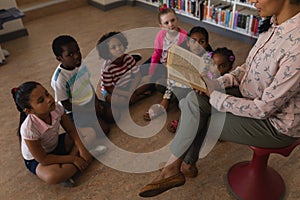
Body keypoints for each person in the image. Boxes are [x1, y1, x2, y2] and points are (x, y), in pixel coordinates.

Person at [139, 0, 300, 197]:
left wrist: (215, 96)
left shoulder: (297, 44)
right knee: (193, 100)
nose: (252, 1)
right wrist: (216, 84)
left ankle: (177, 167)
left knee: (203, 118)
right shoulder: (273, 24)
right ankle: (177, 168)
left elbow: (264, 108)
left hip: (275, 124)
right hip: (250, 95)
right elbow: (246, 69)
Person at [11, 81, 101, 187]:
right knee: (53, 176)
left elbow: (71, 130)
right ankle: (82, 158)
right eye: (41, 100)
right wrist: (74, 158)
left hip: (55, 144)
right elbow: (43, 159)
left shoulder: (56, 108)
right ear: (30, 111)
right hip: (39, 159)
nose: (49, 99)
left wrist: (81, 148)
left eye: (47, 94)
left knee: (89, 132)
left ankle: (72, 166)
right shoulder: (29, 129)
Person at [143, 26, 213, 121]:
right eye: (193, 41)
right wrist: (166, 98)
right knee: (160, 84)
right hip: (178, 84)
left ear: (207, 44)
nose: (197, 45)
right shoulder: (182, 54)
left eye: (202, 42)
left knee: (186, 100)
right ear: (188, 42)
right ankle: (168, 100)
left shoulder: (208, 58)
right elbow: (171, 76)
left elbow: (210, 79)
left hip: (195, 90)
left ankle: (183, 118)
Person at [51, 35, 112, 135]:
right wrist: (88, 111)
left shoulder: (81, 63)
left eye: (77, 51)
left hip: (89, 102)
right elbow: (66, 105)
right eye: (70, 54)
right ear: (59, 58)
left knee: (115, 115)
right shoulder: (60, 79)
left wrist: (96, 102)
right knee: (104, 129)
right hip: (76, 111)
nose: (76, 56)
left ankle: (95, 117)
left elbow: (88, 84)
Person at [167, 47, 235, 133]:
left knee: (199, 113)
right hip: (199, 103)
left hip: (213, 107)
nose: (216, 69)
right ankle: (186, 121)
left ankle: (186, 124)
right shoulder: (208, 74)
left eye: (222, 66)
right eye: (213, 64)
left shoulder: (227, 80)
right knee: (183, 103)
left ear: (230, 67)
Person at [96, 31, 151, 108]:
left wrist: (131, 91)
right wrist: (128, 94)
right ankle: (138, 97)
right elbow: (110, 89)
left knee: (149, 79)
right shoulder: (107, 68)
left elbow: (137, 76)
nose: (118, 48)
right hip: (114, 91)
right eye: (113, 48)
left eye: (119, 45)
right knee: (114, 101)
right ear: (107, 52)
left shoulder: (129, 58)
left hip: (129, 84)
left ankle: (132, 99)